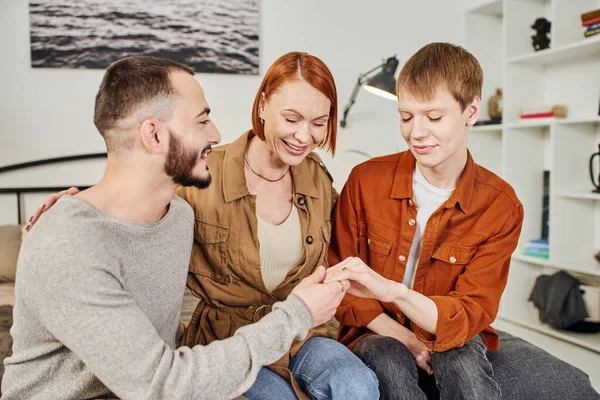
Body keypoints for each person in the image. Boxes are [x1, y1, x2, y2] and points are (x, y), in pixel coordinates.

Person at [21, 52, 380, 400]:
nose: (217, 133)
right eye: (202, 120)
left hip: (175, 375)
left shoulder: (176, 216)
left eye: (318, 123)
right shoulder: (67, 244)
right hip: (154, 384)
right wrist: (70, 217)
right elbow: (163, 385)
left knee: (353, 382)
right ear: (155, 135)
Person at [325, 42, 600, 400]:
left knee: (464, 368)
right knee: (388, 359)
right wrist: (405, 336)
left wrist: (394, 291)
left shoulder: (500, 207)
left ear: (471, 110)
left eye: (433, 117)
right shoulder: (365, 181)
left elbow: (470, 312)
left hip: (451, 332)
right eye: (406, 116)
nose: (416, 133)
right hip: (375, 331)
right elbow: (344, 284)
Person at [175, 51, 378, 400]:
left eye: (319, 123)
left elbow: (352, 245)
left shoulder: (317, 179)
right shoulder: (204, 172)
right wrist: (82, 202)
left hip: (303, 335)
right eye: (292, 118)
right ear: (264, 104)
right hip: (231, 342)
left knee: (356, 386)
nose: (305, 136)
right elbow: (138, 215)